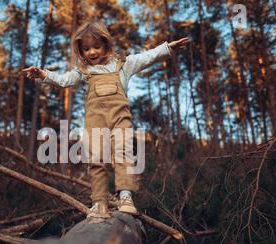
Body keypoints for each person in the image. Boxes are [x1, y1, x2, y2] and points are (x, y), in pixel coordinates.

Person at [23, 19, 189, 219]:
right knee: (97, 159)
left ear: (106, 44)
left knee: (123, 153)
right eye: (86, 49)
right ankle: (99, 203)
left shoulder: (122, 65)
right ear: (81, 51)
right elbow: (64, 80)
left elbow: (147, 57)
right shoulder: (83, 72)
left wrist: (167, 48)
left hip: (120, 119)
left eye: (96, 46)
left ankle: (126, 197)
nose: (91, 52)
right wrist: (43, 73)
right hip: (95, 122)